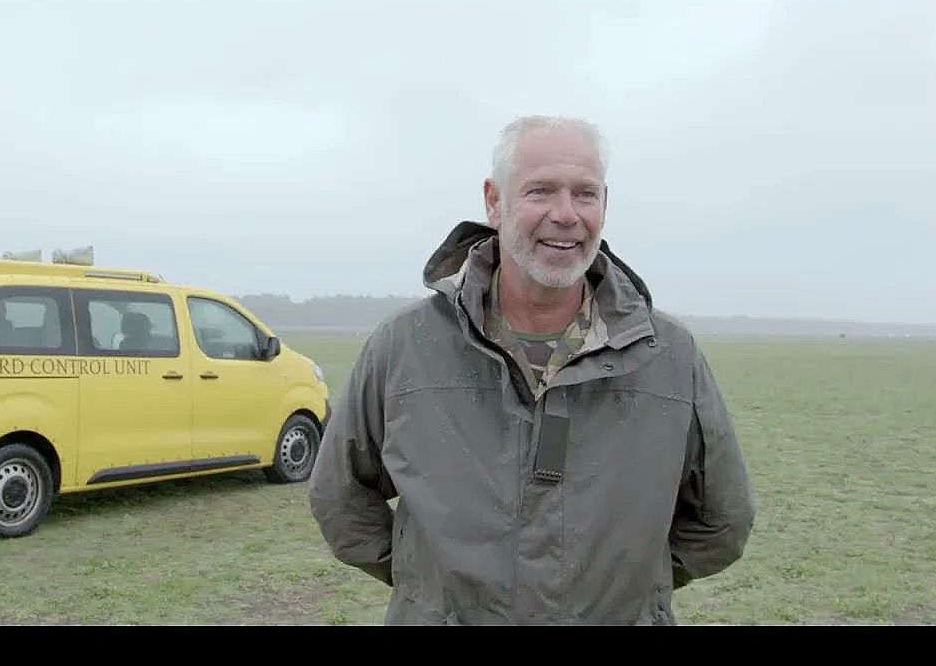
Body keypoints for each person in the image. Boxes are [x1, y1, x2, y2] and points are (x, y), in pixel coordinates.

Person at [307, 115, 756, 625]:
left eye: (584, 194)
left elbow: (723, 520)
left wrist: (630, 590)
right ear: (495, 201)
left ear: (604, 204)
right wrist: (429, 586)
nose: (566, 215)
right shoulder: (405, 346)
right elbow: (339, 496)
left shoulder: (668, 354)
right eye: (541, 191)